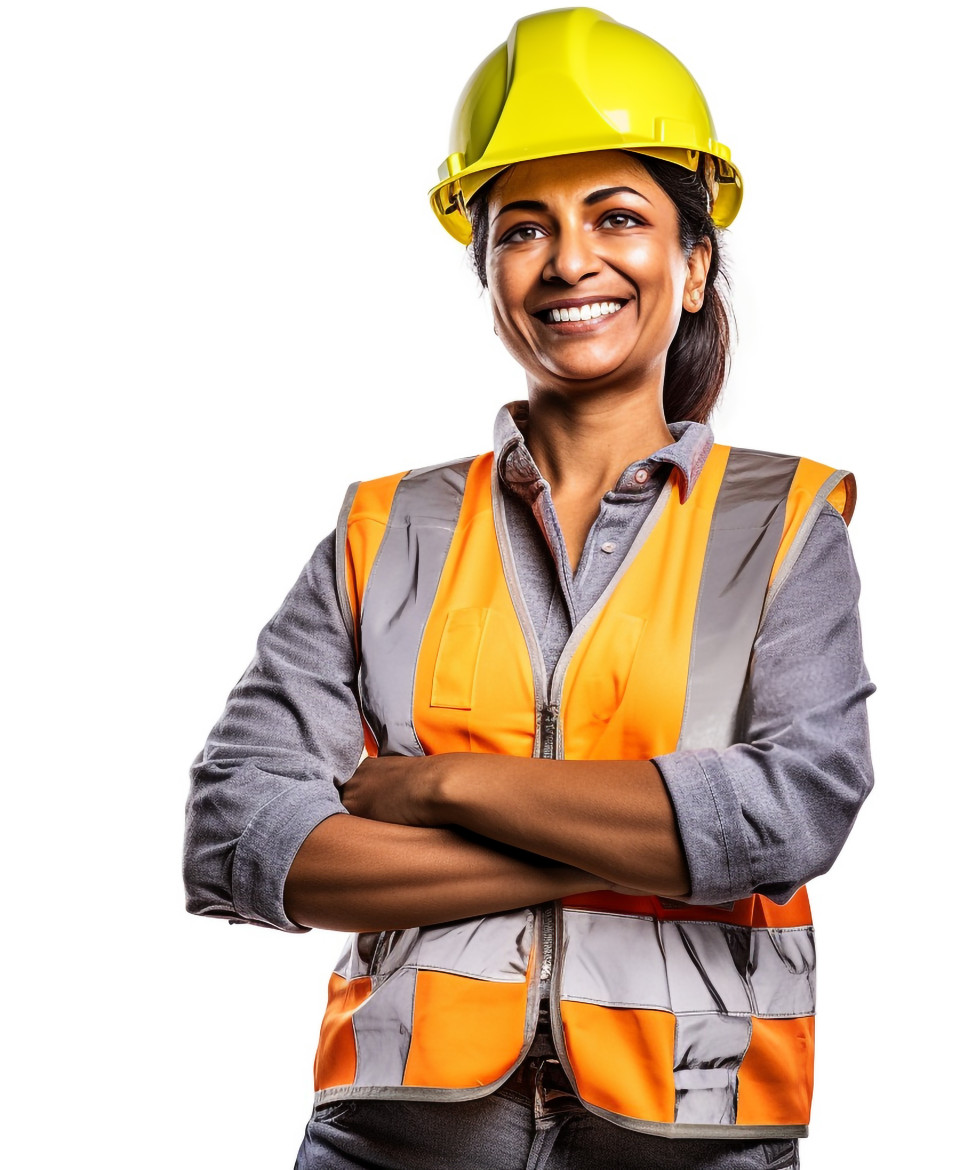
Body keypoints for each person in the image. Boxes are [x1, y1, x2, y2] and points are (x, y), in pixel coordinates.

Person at [183, 9, 876, 1168]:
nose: (568, 261)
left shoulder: (782, 523)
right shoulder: (384, 528)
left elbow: (793, 811)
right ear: (489, 273)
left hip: (688, 1136)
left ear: (692, 263)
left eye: (617, 217)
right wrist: (643, 847)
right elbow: (237, 836)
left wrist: (441, 783)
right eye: (523, 229)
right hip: (391, 1140)